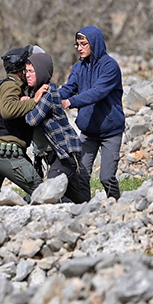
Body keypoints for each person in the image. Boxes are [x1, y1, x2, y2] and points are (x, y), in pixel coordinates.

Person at [0, 46, 47, 211]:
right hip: (4, 153)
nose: (28, 73)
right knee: (42, 192)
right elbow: (7, 111)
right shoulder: (11, 85)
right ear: (21, 70)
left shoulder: (2, 84)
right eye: (26, 69)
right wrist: (33, 101)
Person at [59, 26, 124, 200]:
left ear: (94, 44)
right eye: (77, 45)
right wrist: (52, 97)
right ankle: (86, 210)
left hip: (111, 132)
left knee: (106, 177)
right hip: (88, 133)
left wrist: (71, 102)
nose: (79, 48)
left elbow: (97, 92)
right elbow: (68, 88)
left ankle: (117, 205)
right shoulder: (78, 68)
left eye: (83, 44)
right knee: (81, 175)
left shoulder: (110, 67)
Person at [23, 52, 91, 204]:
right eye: (26, 71)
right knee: (80, 199)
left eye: (31, 71)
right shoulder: (35, 93)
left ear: (40, 72)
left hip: (66, 153)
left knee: (50, 192)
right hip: (55, 156)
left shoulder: (49, 92)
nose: (28, 75)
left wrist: (28, 103)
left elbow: (33, 120)